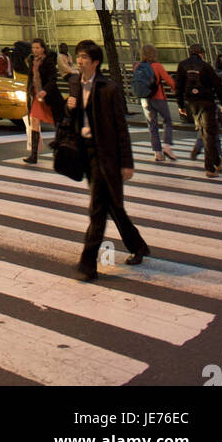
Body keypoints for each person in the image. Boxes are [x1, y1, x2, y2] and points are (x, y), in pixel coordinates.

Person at [65, 39, 149, 281]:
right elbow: (69, 120)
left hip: (107, 155)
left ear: (95, 62)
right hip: (86, 154)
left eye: (83, 58)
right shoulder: (73, 84)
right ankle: (138, 246)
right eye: (77, 56)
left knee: (98, 209)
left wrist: (127, 162)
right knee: (114, 206)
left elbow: (121, 128)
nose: (78, 61)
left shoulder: (109, 89)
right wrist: (69, 106)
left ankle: (88, 263)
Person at [174, 44, 222, 180]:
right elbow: (217, 85)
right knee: (209, 133)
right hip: (206, 101)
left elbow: (178, 86)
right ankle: (210, 167)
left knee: (204, 131)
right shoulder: (205, 66)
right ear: (200, 53)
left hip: (192, 102)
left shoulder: (182, 65)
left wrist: (180, 105)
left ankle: (215, 161)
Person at [22, 38, 66, 165]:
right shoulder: (32, 61)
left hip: (49, 96)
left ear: (43, 48)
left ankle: (60, 151)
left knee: (58, 123)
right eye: (33, 48)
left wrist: (45, 91)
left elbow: (53, 79)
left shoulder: (48, 61)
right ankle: (34, 155)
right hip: (36, 96)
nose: (35, 50)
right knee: (34, 121)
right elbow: (31, 78)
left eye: (37, 48)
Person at [133, 43, 177, 163]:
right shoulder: (157, 66)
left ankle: (157, 153)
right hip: (159, 97)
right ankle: (167, 146)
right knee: (167, 121)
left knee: (152, 125)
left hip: (145, 99)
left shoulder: (137, 66)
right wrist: (174, 88)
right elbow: (168, 80)